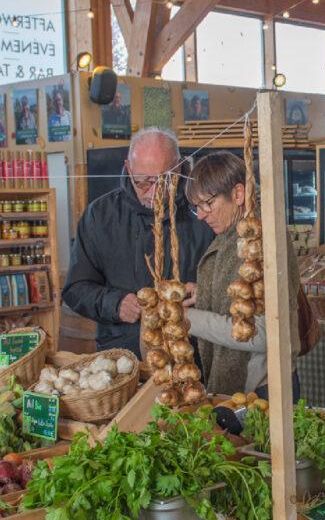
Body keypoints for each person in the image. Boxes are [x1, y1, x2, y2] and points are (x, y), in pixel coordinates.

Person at [63, 128, 214, 354]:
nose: (154, 193)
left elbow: (231, 278)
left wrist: (206, 292)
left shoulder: (205, 211)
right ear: (129, 167)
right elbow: (75, 288)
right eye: (143, 182)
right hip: (123, 354)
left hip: (193, 352)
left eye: (164, 181)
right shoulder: (100, 216)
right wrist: (115, 304)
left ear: (180, 167)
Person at [184, 151, 301, 395]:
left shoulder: (262, 240)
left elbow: (264, 333)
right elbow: (238, 293)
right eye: (197, 207)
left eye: (207, 203)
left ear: (238, 194)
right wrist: (204, 292)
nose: (201, 215)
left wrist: (188, 319)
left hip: (262, 389)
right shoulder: (232, 234)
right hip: (244, 386)